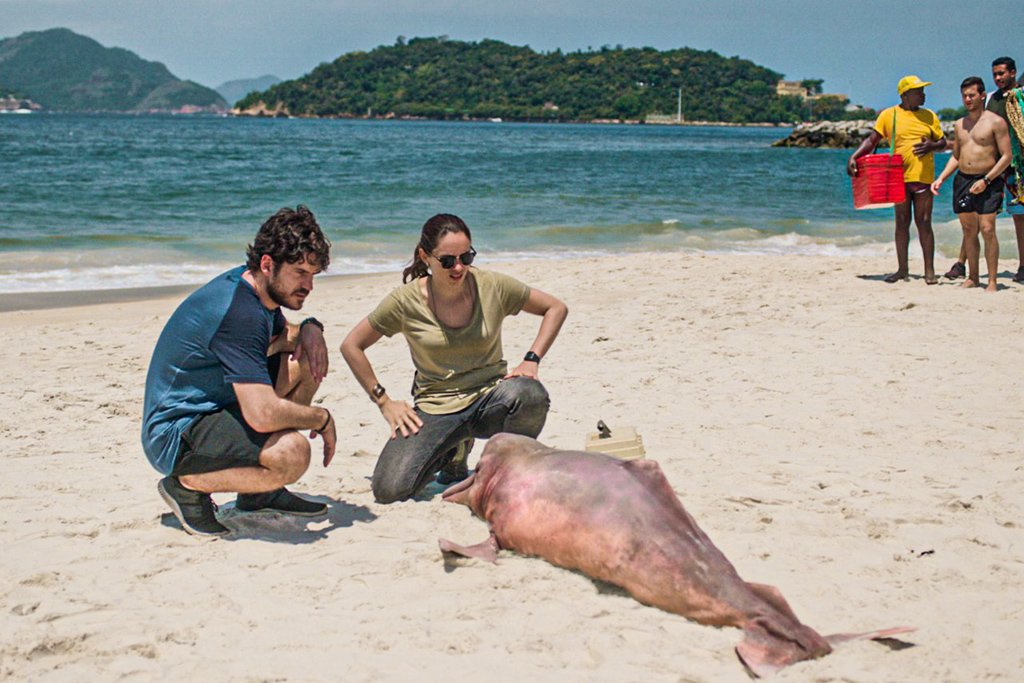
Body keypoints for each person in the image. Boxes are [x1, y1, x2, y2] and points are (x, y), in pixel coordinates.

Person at [341, 214, 568, 504]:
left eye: (467, 257)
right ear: (426, 257)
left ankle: (509, 472)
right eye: (447, 261)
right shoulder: (404, 302)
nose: (458, 267)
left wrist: (532, 358)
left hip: (490, 398)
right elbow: (352, 345)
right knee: (389, 490)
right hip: (436, 407)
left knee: (530, 394)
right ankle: (453, 454)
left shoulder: (492, 286)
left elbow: (555, 308)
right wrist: (384, 401)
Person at [141, 206, 337, 537]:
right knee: (292, 454)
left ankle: (260, 493)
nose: (308, 286)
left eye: (313, 275)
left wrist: (310, 327)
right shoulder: (240, 312)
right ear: (267, 264)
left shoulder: (254, 287)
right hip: (175, 433)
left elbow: (282, 335)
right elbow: (262, 415)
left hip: (215, 406)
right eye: (300, 272)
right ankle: (187, 487)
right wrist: (322, 419)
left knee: (306, 359)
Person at [847, 75, 948, 284]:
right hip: (898, 178)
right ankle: (903, 269)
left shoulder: (930, 116)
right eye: (918, 91)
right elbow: (872, 139)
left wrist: (931, 146)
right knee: (902, 223)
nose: (923, 94)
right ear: (905, 95)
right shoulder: (889, 115)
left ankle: (929, 271)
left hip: (923, 178)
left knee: (925, 222)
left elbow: (943, 142)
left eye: (923, 90)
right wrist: (854, 156)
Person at [942, 57, 1023, 281]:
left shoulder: (1021, 96)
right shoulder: (992, 100)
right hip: (994, 168)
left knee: (1016, 217)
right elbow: (976, 136)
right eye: (995, 74)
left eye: (1002, 74)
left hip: (1016, 165)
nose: (998, 78)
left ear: (1013, 73)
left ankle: (1022, 266)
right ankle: (962, 264)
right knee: (974, 221)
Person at [930, 77, 1012, 291]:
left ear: (983, 95)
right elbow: (956, 156)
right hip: (963, 181)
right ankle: (973, 277)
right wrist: (941, 178)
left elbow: (1007, 156)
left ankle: (992, 280)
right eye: (964, 96)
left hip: (989, 179)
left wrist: (986, 180)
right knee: (968, 231)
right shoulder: (960, 124)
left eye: (972, 95)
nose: (968, 99)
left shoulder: (996, 122)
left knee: (987, 229)